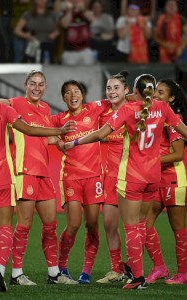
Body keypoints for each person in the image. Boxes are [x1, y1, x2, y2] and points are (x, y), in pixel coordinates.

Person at [61, 73, 187, 289]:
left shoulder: (128, 110)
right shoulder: (164, 109)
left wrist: (75, 143)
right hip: (154, 177)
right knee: (142, 225)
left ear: (134, 91)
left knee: (132, 227)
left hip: (133, 177)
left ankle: (138, 278)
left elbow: (101, 134)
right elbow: (184, 132)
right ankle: (149, 271)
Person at [0, 74, 76, 292]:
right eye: (32, 83)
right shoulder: (14, 104)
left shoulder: (45, 109)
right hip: (21, 171)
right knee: (21, 225)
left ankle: (53, 272)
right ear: (24, 86)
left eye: (41, 84)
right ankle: (16, 272)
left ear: (46, 87)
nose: (37, 87)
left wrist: (59, 141)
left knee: (50, 224)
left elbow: (42, 136)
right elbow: (25, 127)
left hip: (40, 173)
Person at [51, 80, 110, 283]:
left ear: (82, 95)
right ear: (63, 98)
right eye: (67, 93)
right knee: (73, 224)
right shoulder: (59, 119)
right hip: (70, 177)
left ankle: (86, 271)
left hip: (94, 177)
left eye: (76, 91)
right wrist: (59, 140)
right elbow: (42, 135)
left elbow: (116, 98)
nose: (72, 95)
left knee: (92, 224)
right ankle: (62, 267)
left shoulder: (94, 109)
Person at [145, 78, 187, 285]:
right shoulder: (153, 119)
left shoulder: (173, 120)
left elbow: (178, 154)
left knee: (177, 227)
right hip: (155, 178)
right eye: (154, 91)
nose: (155, 95)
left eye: (161, 92)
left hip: (173, 178)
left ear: (171, 98)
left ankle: (183, 272)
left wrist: (149, 161)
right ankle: (159, 267)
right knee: (143, 225)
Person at [96, 71, 129, 283]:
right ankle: (116, 269)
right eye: (109, 88)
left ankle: (137, 269)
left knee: (134, 226)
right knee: (109, 223)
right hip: (110, 176)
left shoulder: (135, 111)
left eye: (116, 87)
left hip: (131, 175)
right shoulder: (102, 113)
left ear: (126, 90)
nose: (112, 91)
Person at [59, 0, 96, 65]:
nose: (75, 1)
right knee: (69, 74)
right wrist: (70, 11)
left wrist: (83, 10)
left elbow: (93, 19)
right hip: (69, 52)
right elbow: (64, 24)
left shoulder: (86, 11)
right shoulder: (65, 12)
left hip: (85, 50)